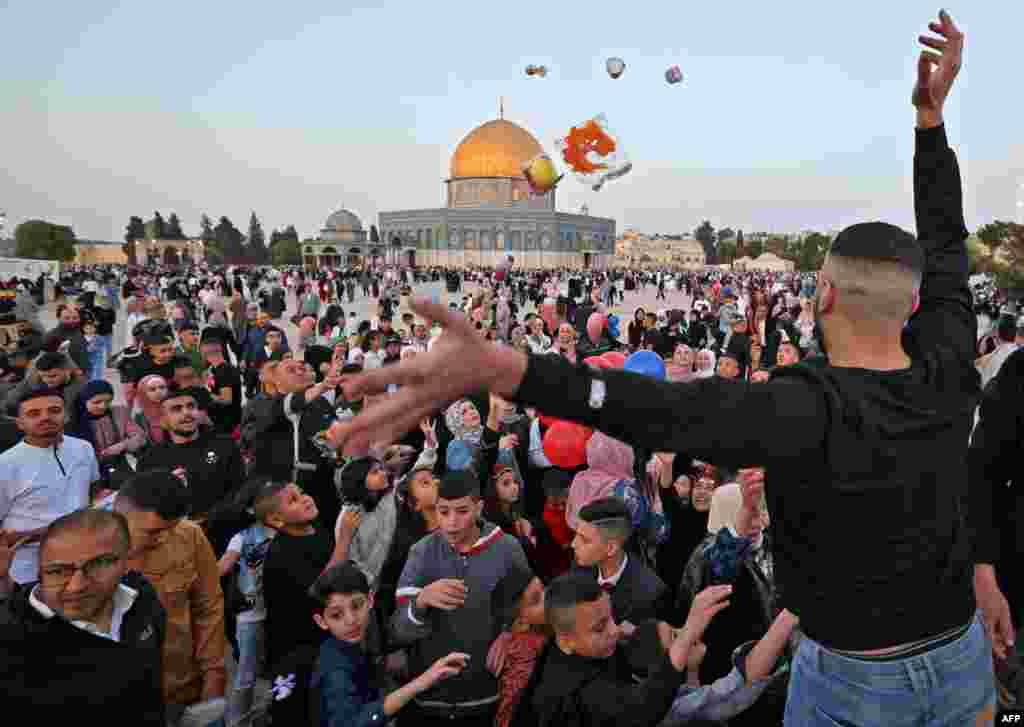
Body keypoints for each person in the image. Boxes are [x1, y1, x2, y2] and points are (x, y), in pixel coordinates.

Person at [333, 14, 1003, 724]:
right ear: (917, 300)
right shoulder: (948, 363)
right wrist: (933, 126)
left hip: (858, 686)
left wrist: (510, 366)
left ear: (824, 293)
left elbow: (665, 411)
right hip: (962, 663)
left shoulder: (810, 407)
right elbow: (950, 246)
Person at [390, 469, 533, 727]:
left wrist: (509, 634)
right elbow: (397, 631)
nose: (451, 522)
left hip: (486, 698)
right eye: (443, 512)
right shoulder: (421, 553)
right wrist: (421, 601)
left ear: (478, 508)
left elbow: (529, 608)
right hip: (429, 701)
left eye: (462, 511)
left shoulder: (508, 549)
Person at [0, 509, 167, 726]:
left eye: (99, 564)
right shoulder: (10, 643)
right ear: (39, 572)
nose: (76, 586)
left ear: (127, 561)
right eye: (58, 571)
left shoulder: (143, 599)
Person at [521, 572, 731, 727]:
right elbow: (642, 709)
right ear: (566, 640)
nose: (614, 631)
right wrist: (686, 636)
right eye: (599, 628)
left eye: (611, 617)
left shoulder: (567, 646)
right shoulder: (572, 694)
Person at [111, 470, 228, 725]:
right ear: (118, 517)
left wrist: (213, 672)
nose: (164, 538)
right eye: (153, 532)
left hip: (185, 690)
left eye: (170, 528)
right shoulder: (85, 548)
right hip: (119, 701)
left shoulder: (188, 536)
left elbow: (208, 607)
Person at [311, 561, 470, 727]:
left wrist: (420, 603)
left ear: (370, 600)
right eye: (337, 615)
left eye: (357, 606)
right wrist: (421, 682)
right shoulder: (335, 669)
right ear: (321, 621)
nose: (351, 620)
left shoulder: (361, 636)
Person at [1, 387, 99, 586]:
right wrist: (53, 531)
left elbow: (92, 491)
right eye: (33, 414)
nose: (45, 418)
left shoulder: (83, 448)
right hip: (28, 572)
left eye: (54, 410)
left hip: (82, 563)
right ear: (19, 423)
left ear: (66, 415)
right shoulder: (5, 464)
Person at [136, 384, 245, 538]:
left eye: (191, 406)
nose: (186, 412)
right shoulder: (149, 461)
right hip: (177, 539)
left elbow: (240, 490)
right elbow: (147, 508)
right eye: (176, 409)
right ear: (162, 421)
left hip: (227, 533)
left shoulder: (224, 444)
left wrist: (207, 519)